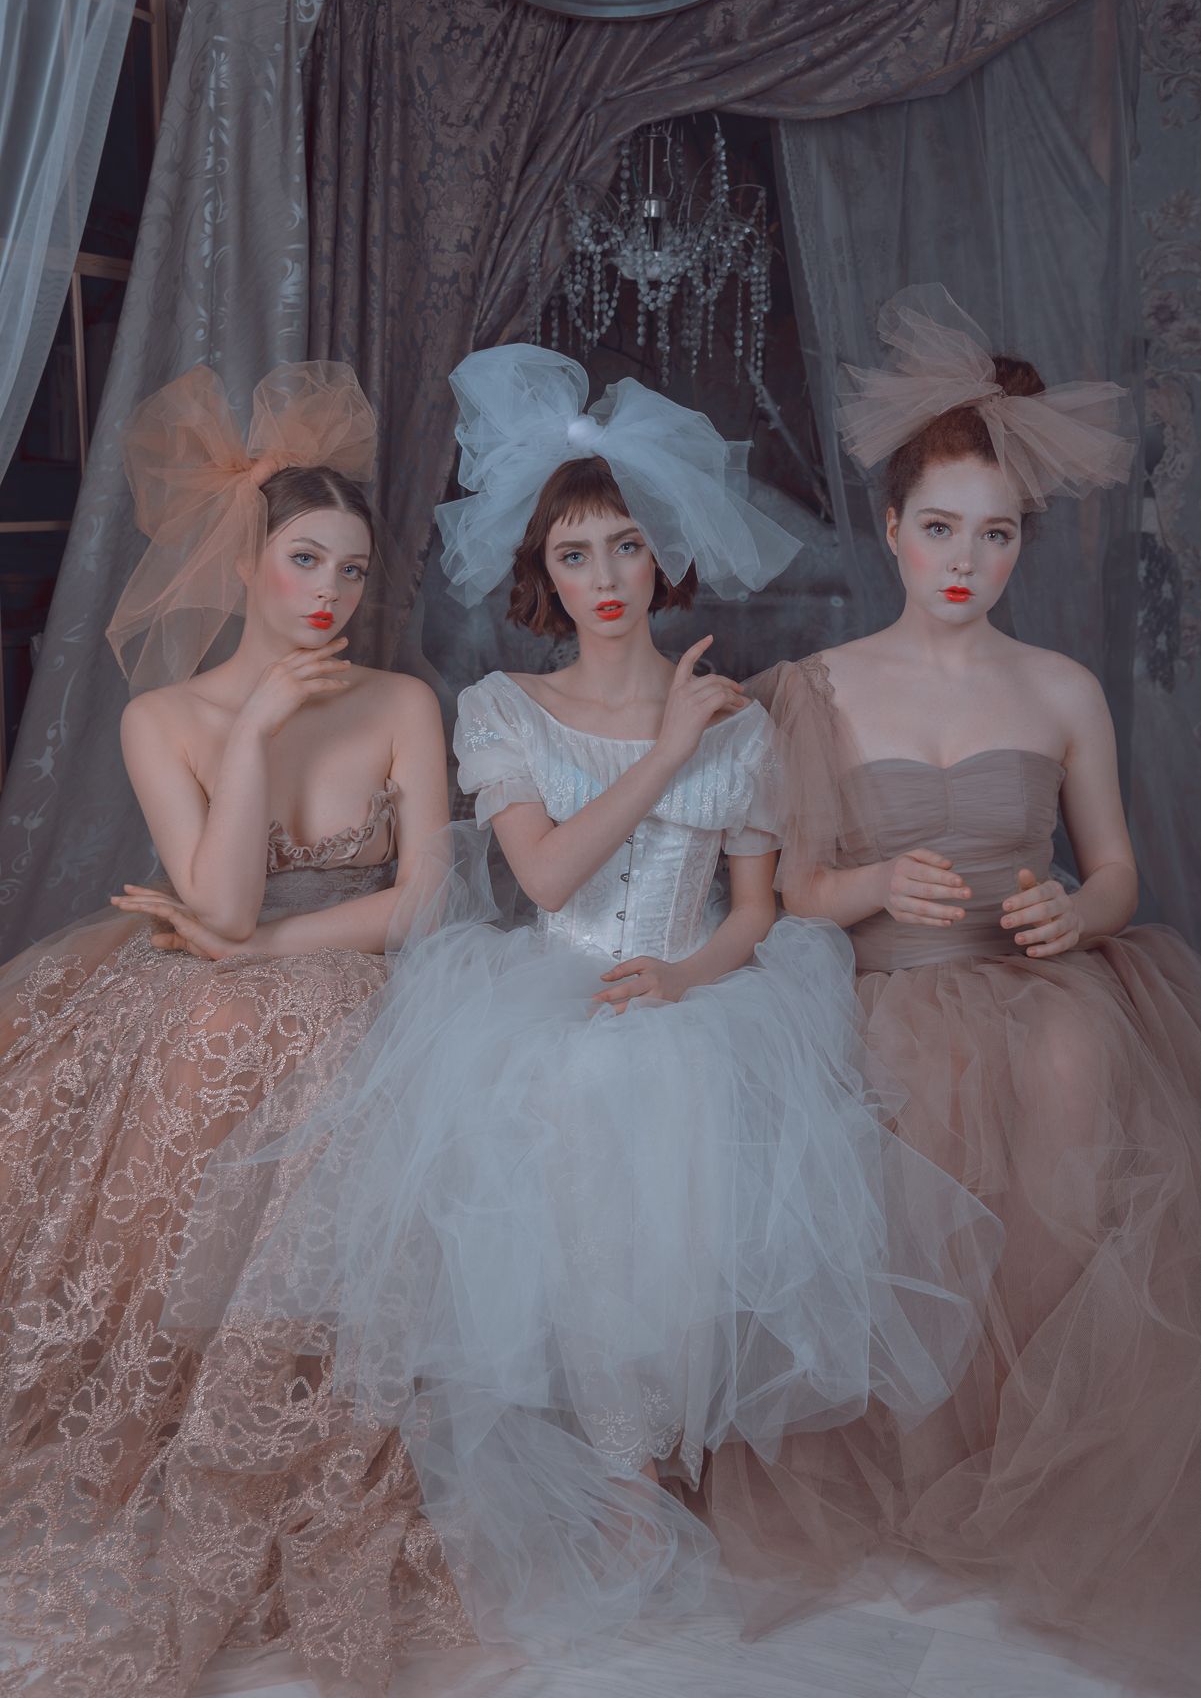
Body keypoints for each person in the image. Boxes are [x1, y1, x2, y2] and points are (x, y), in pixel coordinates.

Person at [176, 344, 1003, 1657]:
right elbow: (549, 875)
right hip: (547, 987)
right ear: (541, 572)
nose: (606, 579)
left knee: (667, 1118)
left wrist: (683, 976)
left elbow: (755, 909)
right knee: (579, 1094)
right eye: (575, 555)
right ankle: (609, 1471)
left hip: (690, 990)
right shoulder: (503, 708)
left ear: (666, 554)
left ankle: (644, 1461)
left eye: (626, 547)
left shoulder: (738, 723)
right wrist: (662, 753)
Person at [738, 286, 1201, 1690]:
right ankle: (926, 1458)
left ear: (1020, 543)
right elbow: (795, 890)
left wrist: (1077, 907)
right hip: (888, 982)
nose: (965, 560)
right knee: (924, 1088)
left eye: (995, 534)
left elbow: (1114, 871)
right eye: (940, 527)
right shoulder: (815, 687)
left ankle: (1038, 1458)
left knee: (1067, 1069)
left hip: (1039, 974)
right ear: (890, 528)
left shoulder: (1059, 688)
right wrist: (877, 883)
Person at [0, 362, 462, 1691]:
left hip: (351, 977)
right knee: (206, 1031)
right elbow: (211, 902)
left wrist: (261, 952)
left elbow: (422, 903)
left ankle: (283, 1418)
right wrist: (254, 730)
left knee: (303, 1035)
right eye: (303, 559)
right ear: (243, 563)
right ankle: (163, 1419)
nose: (329, 593)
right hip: (206, 983)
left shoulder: (400, 703)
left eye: (351, 570)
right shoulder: (165, 717)